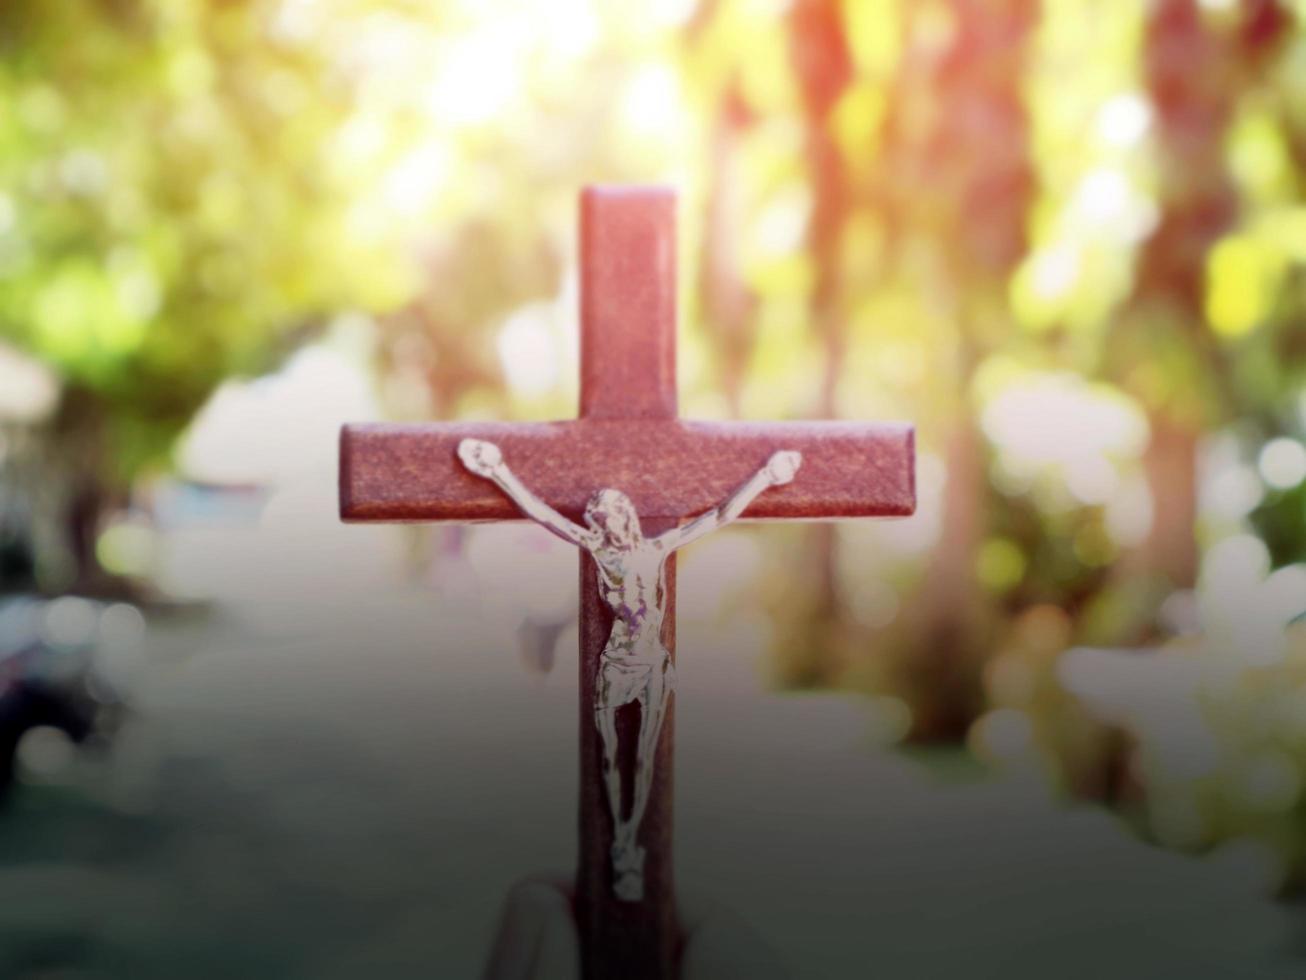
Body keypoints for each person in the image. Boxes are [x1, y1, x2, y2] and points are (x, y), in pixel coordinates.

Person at [458, 439, 801, 901]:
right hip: (617, 665)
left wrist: (768, 477)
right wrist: (497, 471)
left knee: (644, 758)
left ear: (629, 517)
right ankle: (621, 841)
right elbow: (542, 514)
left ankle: (628, 842)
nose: (612, 523)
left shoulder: (657, 549)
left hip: (653, 664)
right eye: (603, 518)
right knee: (609, 758)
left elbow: (719, 516)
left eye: (617, 514)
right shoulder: (601, 553)